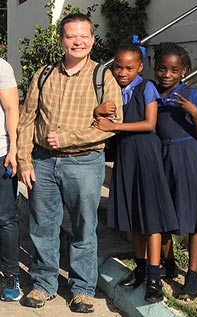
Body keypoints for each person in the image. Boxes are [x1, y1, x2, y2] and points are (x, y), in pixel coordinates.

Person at [17, 13, 123, 313]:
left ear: (92, 39)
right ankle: (44, 283)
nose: (78, 41)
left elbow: (113, 123)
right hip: (43, 163)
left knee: (84, 228)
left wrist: (69, 138)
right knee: (43, 226)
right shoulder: (45, 74)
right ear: (62, 40)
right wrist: (25, 160)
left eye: (84, 36)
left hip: (85, 163)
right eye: (71, 36)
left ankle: (82, 289)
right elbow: (27, 121)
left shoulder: (103, 77)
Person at [93, 43, 179, 303]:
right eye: (118, 67)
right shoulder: (115, 92)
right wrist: (98, 112)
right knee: (134, 218)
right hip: (126, 158)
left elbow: (150, 123)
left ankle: (154, 276)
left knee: (150, 218)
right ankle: (141, 268)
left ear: (140, 67)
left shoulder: (146, 88)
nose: (122, 72)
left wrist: (115, 125)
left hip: (146, 157)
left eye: (129, 68)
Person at [153, 42, 197, 300]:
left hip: (190, 159)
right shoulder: (151, 94)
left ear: (184, 71)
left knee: (196, 220)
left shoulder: (192, 95)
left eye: (174, 70)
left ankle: (192, 276)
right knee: (163, 215)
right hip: (162, 158)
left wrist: (194, 113)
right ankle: (167, 264)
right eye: (162, 69)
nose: (167, 74)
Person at [0, 58, 20, 301]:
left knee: (4, 218)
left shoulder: (1, 67)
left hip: (1, 151)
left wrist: (14, 148)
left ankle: (10, 274)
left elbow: (12, 108)